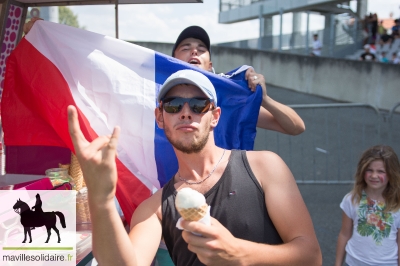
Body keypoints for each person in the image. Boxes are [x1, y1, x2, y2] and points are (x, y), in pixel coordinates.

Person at [68, 69, 322, 266]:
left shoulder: (265, 166)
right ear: (160, 117)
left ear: (215, 116)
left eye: (199, 105)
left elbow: (311, 256)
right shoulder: (154, 209)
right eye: (174, 105)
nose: (186, 113)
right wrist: (100, 200)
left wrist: (239, 253)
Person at [171, 25, 305, 135]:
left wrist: (264, 99)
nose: (194, 51)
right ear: (171, 61)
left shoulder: (231, 99)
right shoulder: (155, 96)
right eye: (186, 48)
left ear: (210, 65)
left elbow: (296, 127)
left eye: (201, 49)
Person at [335, 145, 400, 266]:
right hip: (355, 262)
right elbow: (344, 234)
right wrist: (337, 264)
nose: (374, 176)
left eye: (381, 171)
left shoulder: (397, 204)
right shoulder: (352, 199)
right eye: (369, 170)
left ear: (392, 173)